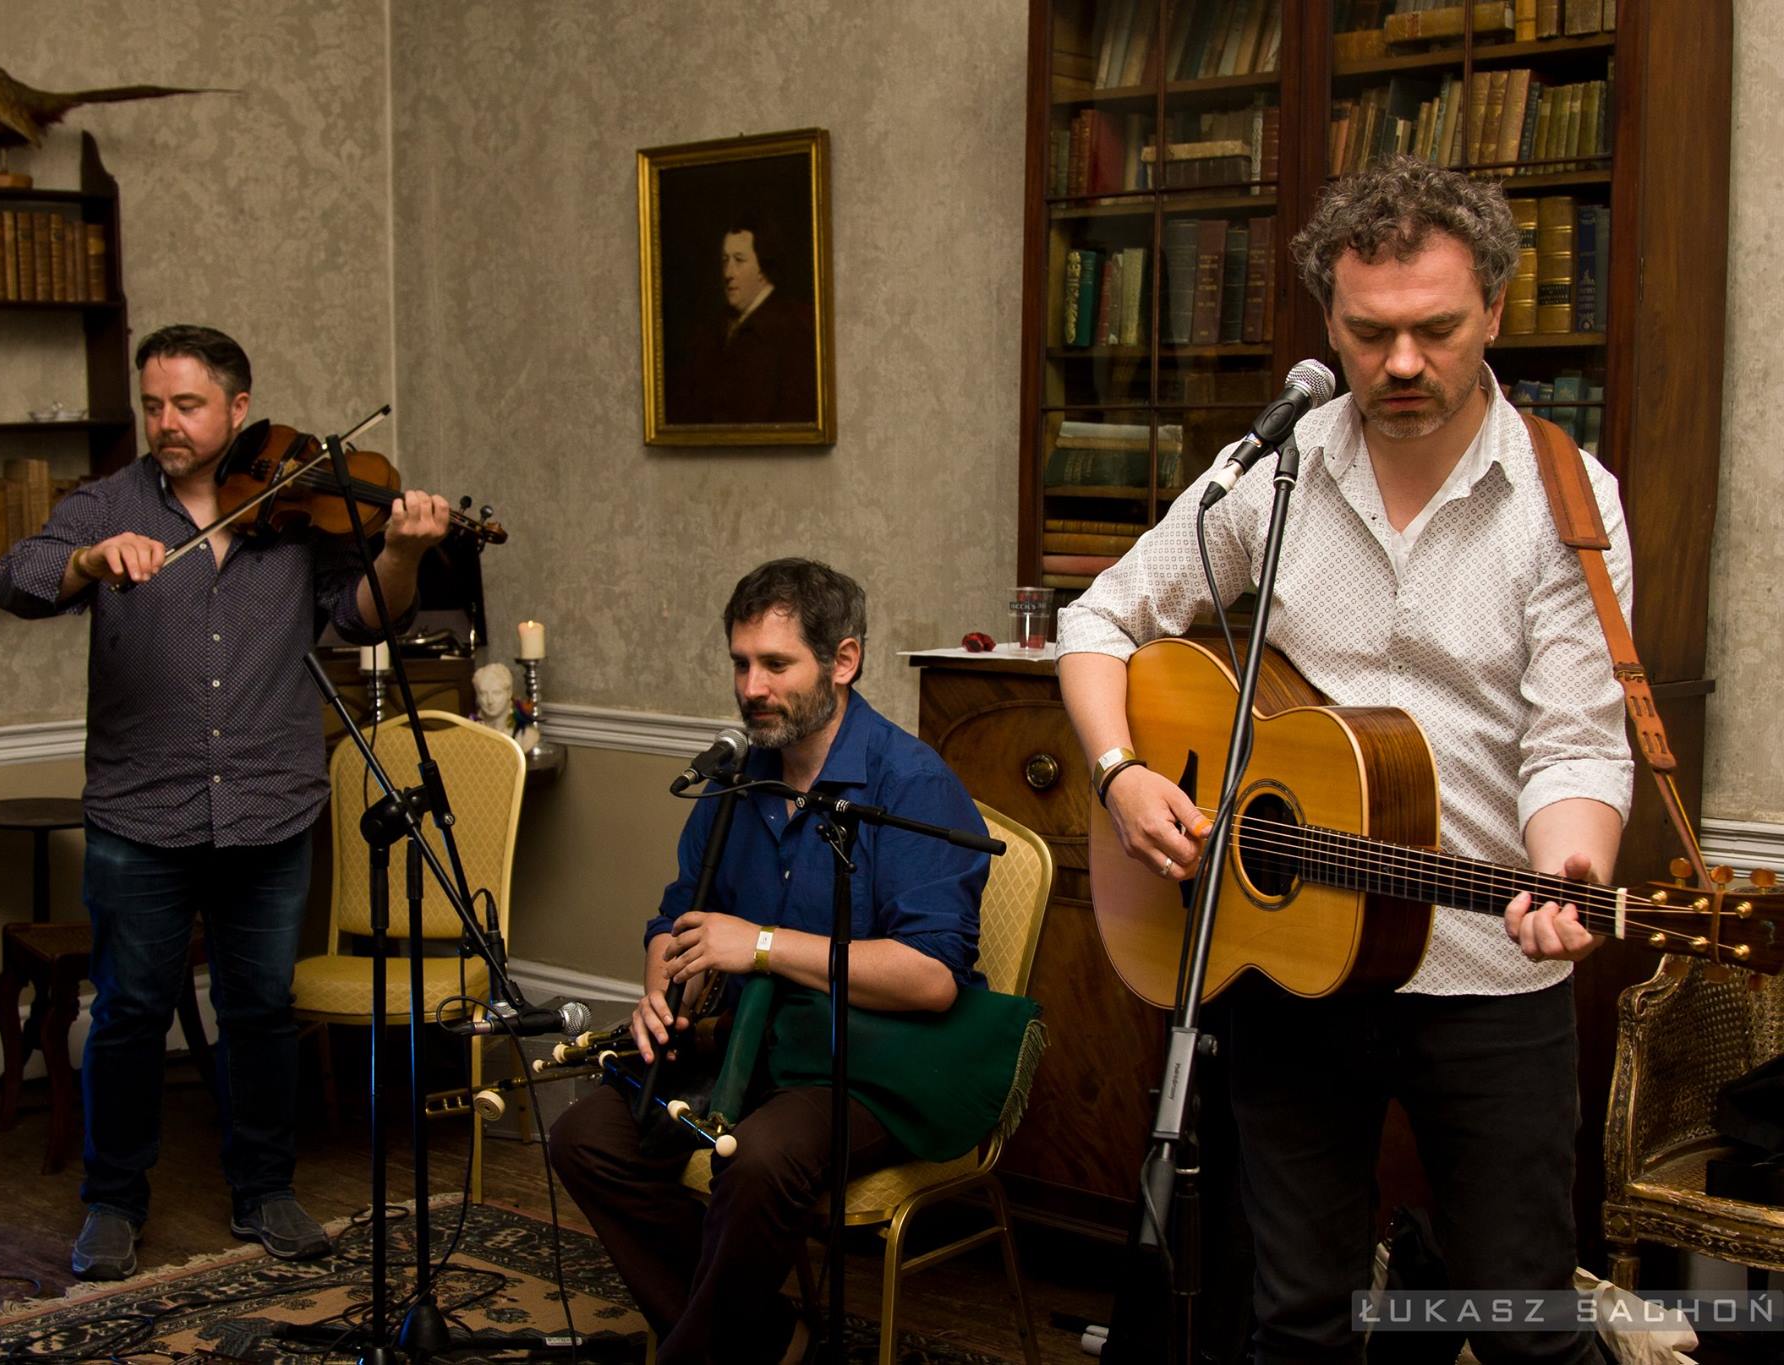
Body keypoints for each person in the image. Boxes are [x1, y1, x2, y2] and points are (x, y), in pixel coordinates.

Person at [1056, 155, 1631, 1365]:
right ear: (1328, 322)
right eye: (1370, 335)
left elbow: (1576, 734)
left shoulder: (1566, 500)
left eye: (1435, 329)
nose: (1403, 364)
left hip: (1485, 965)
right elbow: (1099, 621)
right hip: (1290, 962)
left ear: (1493, 309)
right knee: (1294, 1322)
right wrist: (1119, 774)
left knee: (1523, 1328)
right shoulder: (1268, 477)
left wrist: (1565, 869)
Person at [0, 324, 451, 1281]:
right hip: (139, 809)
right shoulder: (108, 502)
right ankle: (113, 1202)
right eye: (152, 404)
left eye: (187, 405)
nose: (166, 422)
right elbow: (16, 578)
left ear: (238, 408)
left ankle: (265, 1188)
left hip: (269, 803)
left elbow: (368, 615)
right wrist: (86, 563)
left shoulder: (298, 499)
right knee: (126, 1013)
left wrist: (403, 552)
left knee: (260, 1010)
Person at [549, 558, 988, 1365]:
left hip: (869, 1061)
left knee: (754, 1158)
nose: (752, 686)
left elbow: (931, 977)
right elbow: (678, 911)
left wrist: (755, 944)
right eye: (741, 663)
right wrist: (661, 984)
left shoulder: (912, 782)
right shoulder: (738, 777)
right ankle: (761, 1335)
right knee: (586, 1135)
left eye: (776, 664)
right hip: (754, 1043)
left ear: (843, 661)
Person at [668, 214, 818, 425]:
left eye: (739, 260)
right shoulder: (715, 329)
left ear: (763, 268)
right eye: (724, 260)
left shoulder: (792, 328)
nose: (728, 273)